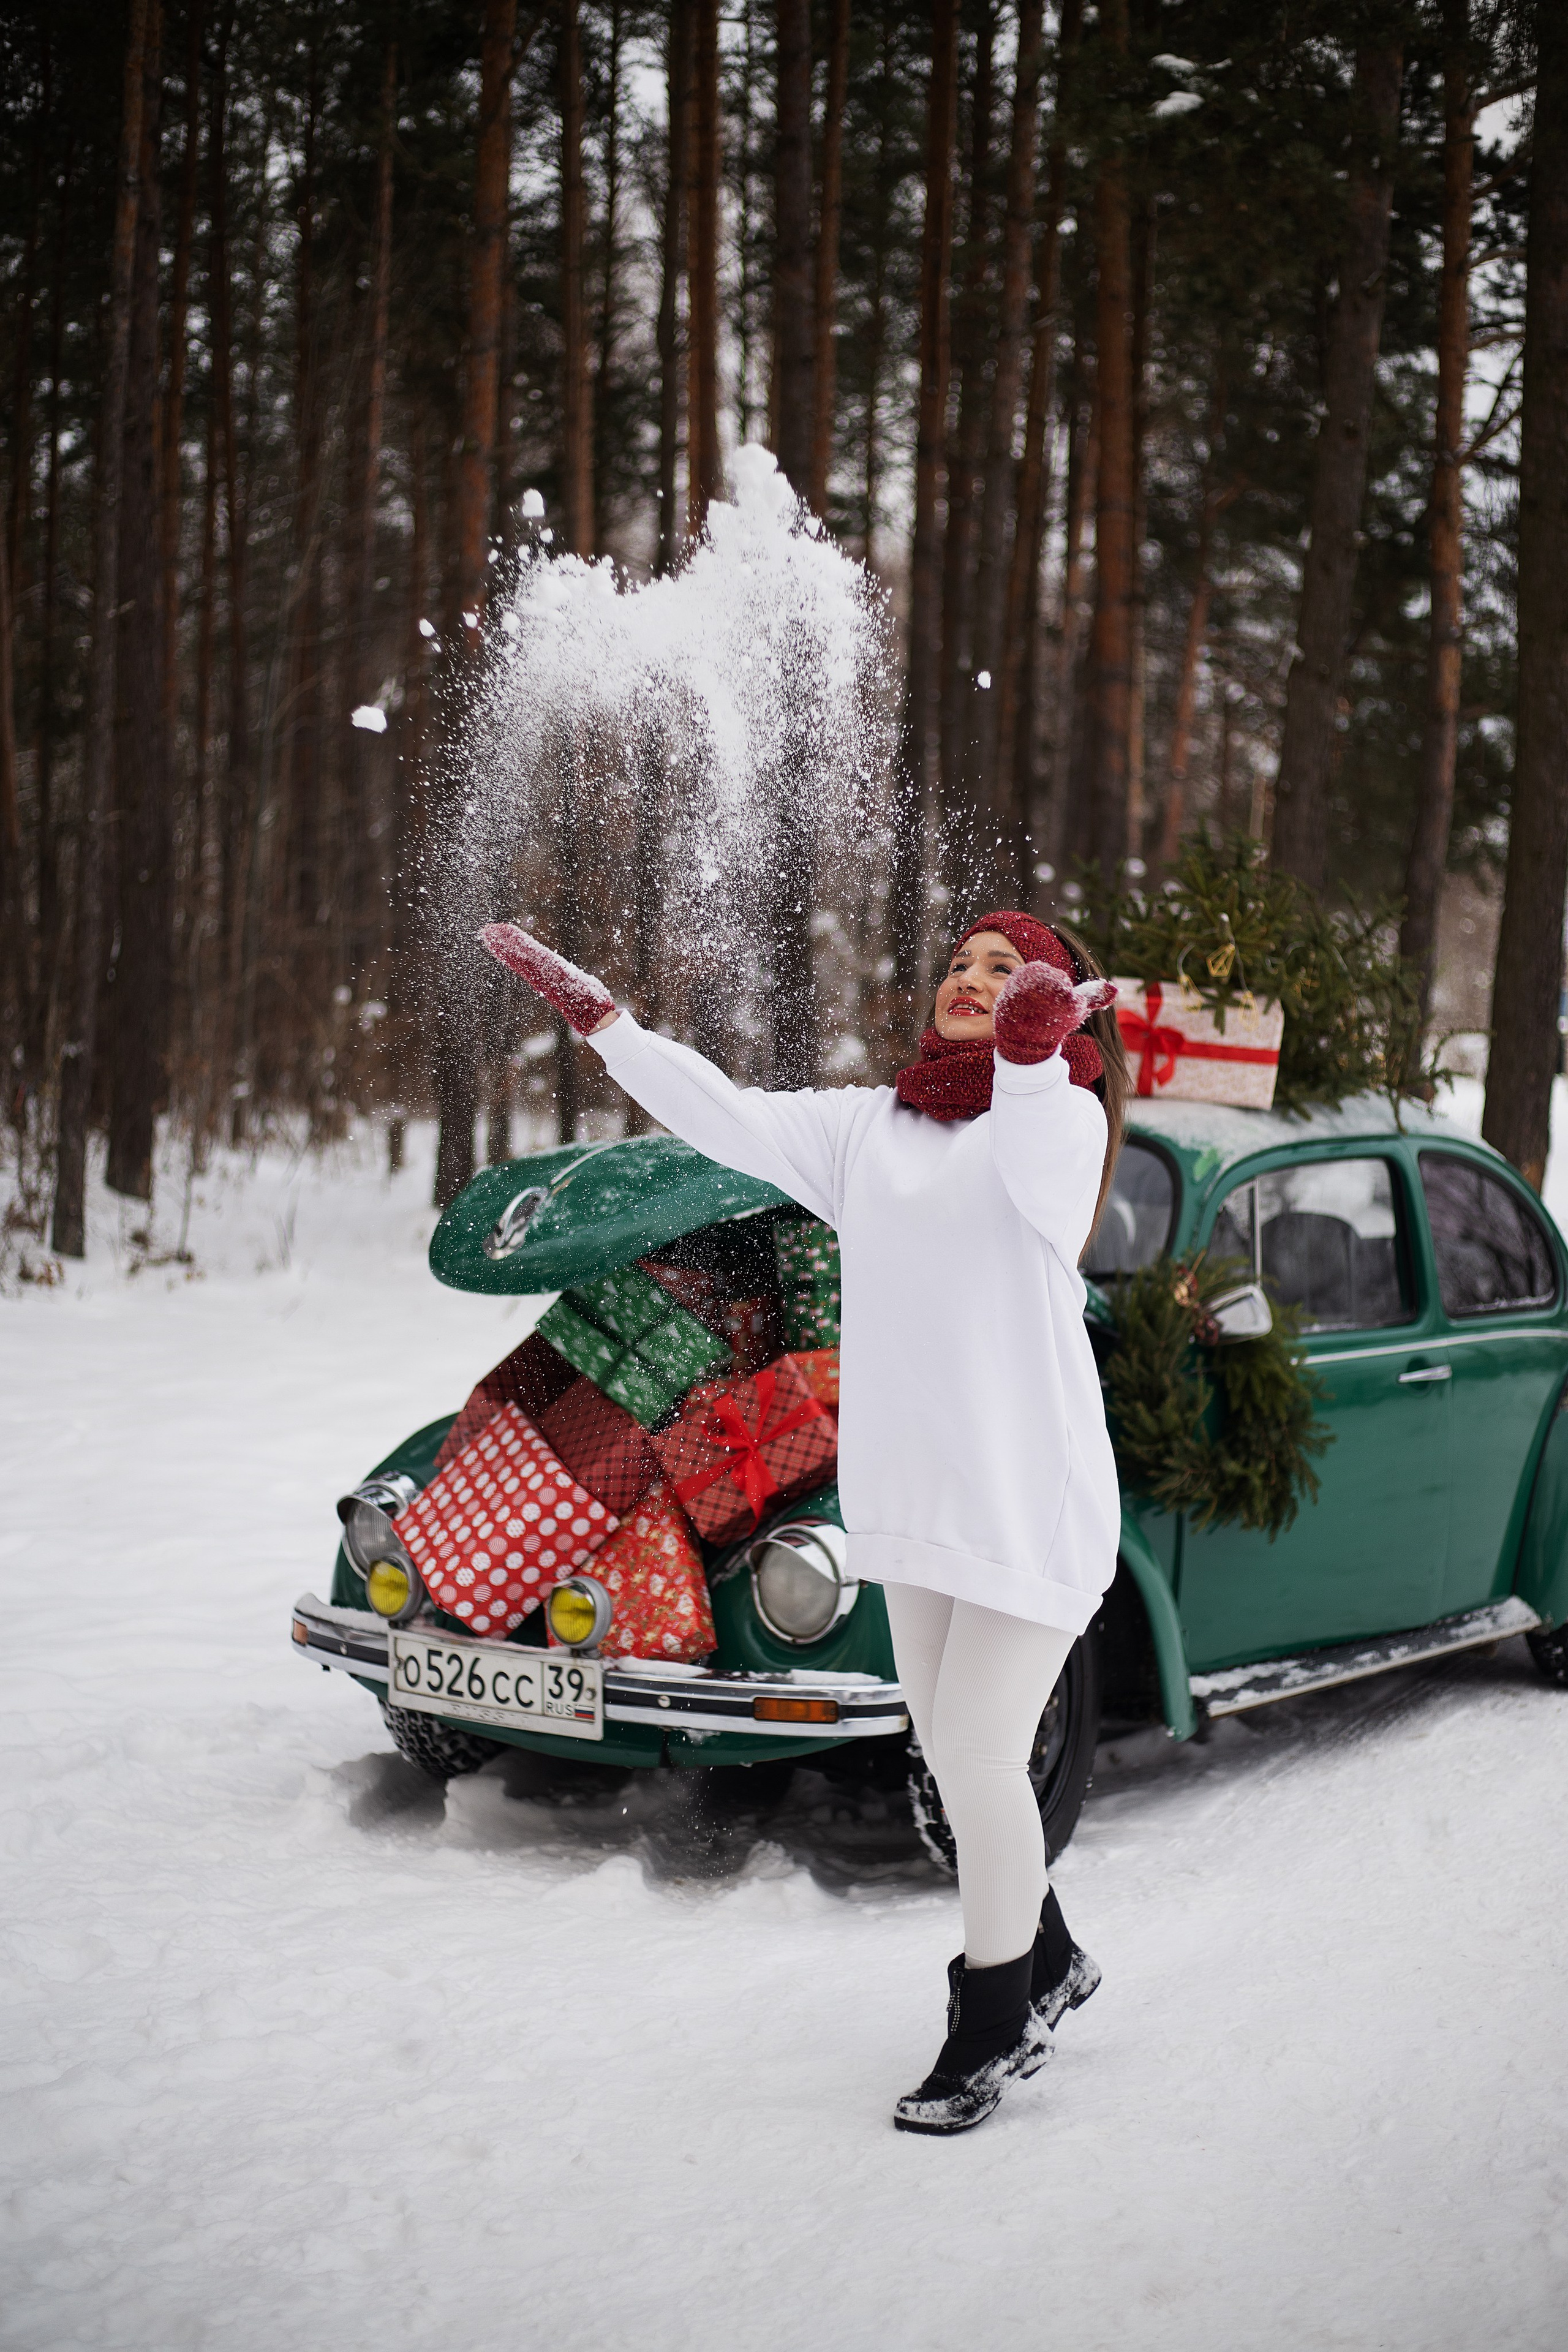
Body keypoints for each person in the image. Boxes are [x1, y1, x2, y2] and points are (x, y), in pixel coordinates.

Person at [481, 908, 1129, 2135]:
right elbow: (723, 1108)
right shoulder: (868, 1129)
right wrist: (606, 1026)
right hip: (917, 1501)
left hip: (1024, 1500)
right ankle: (1048, 1957)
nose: (972, 984)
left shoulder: (1051, 1123)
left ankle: (992, 2026)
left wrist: (1035, 1059)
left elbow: (1046, 1158)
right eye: (958, 967)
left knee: (983, 1762)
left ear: (1049, 1006)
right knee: (947, 1756)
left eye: (1004, 974)